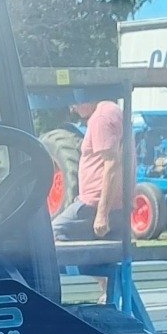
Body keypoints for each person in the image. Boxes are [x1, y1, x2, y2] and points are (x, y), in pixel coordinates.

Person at [54, 99, 126, 240]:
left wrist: (102, 214)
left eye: (74, 103)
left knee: (51, 235)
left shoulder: (100, 118)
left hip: (93, 204)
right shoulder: (115, 111)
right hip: (114, 204)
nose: (73, 109)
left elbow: (112, 164)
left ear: (87, 98)